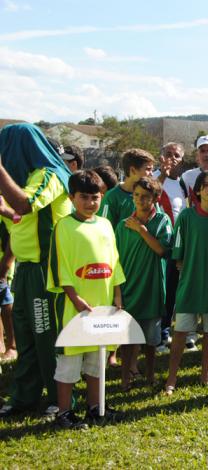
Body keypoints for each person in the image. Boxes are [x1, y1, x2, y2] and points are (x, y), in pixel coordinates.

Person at [0, 123, 73, 419]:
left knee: (46, 336)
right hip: (26, 270)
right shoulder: (18, 179)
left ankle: (61, 399)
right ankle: (24, 398)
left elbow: (24, 205)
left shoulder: (48, 175)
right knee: (27, 337)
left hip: (48, 271)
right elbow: (15, 217)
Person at [47, 170, 125, 429]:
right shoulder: (64, 226)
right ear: (71, 197)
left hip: (101, 306)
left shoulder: (105, 225)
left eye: (95, 197)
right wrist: (75, 297)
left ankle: (95, 407)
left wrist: (116, 295)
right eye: (84, 197)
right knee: (70, 360)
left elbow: (113, 262)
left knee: (96, 359)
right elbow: (62, 267)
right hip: (74, 307)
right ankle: (64, 413)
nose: (91, 203)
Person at [164, 170, 208, 395]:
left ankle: (204, 376)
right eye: (205, 185)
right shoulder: (186, 217)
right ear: (197, 190)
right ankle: (171, 379)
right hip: (191, 286)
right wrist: (184, 265)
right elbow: (178, 254)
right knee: (181, 332)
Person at [115, 177, 173, 390]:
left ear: (155, 199)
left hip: (152, 289)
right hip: (129, 288)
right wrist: (117, 291)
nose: (140, 200)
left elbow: (162, 250)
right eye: (136, 195)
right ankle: (125, 378)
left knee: (151, 340)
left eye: (145, 197)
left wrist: (141, 230)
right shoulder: (123, 225)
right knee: (127, 340)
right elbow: (116, 259)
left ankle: (150, 374)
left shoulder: (162, 221)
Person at [153, 142, 186, 352]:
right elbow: (149, 194)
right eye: (168, 154)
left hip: (176, 248)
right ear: (160, 155)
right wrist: (162, 175)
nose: (172, 158)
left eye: (176, 156)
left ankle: (164, 333)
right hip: (157, 246)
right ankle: (156, 337)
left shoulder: (182, 183)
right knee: (160, 293)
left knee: (172, 293)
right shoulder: (155, 177)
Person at [100, 148, 156, 228]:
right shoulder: (112, 197)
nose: (152, 174)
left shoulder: (150, 195)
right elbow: (104, 229)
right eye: (148, 169)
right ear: (133, 170)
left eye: (152, 170)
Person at [0, 218, 16, 363]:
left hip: (3, 266)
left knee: (6, 304)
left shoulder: (4, 203)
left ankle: (12, 346)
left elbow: (14, 233)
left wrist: (5, 264)